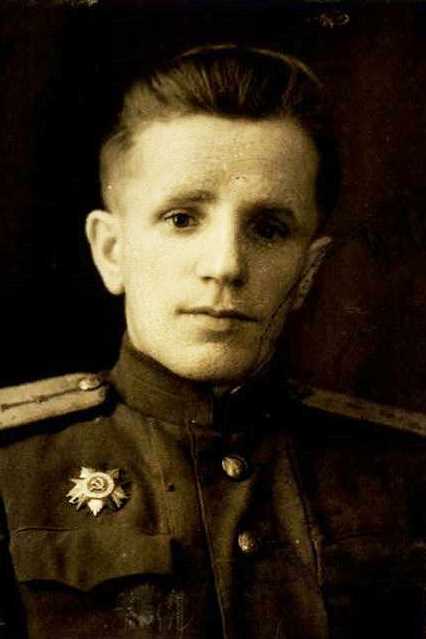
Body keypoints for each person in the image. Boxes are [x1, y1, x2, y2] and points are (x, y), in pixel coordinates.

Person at [0, 44, 424, 639]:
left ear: (308, 272)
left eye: (269, 229)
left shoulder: (406, 472)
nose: (225, 265)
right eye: (181, 219)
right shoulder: (12, 468)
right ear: (112, 251)